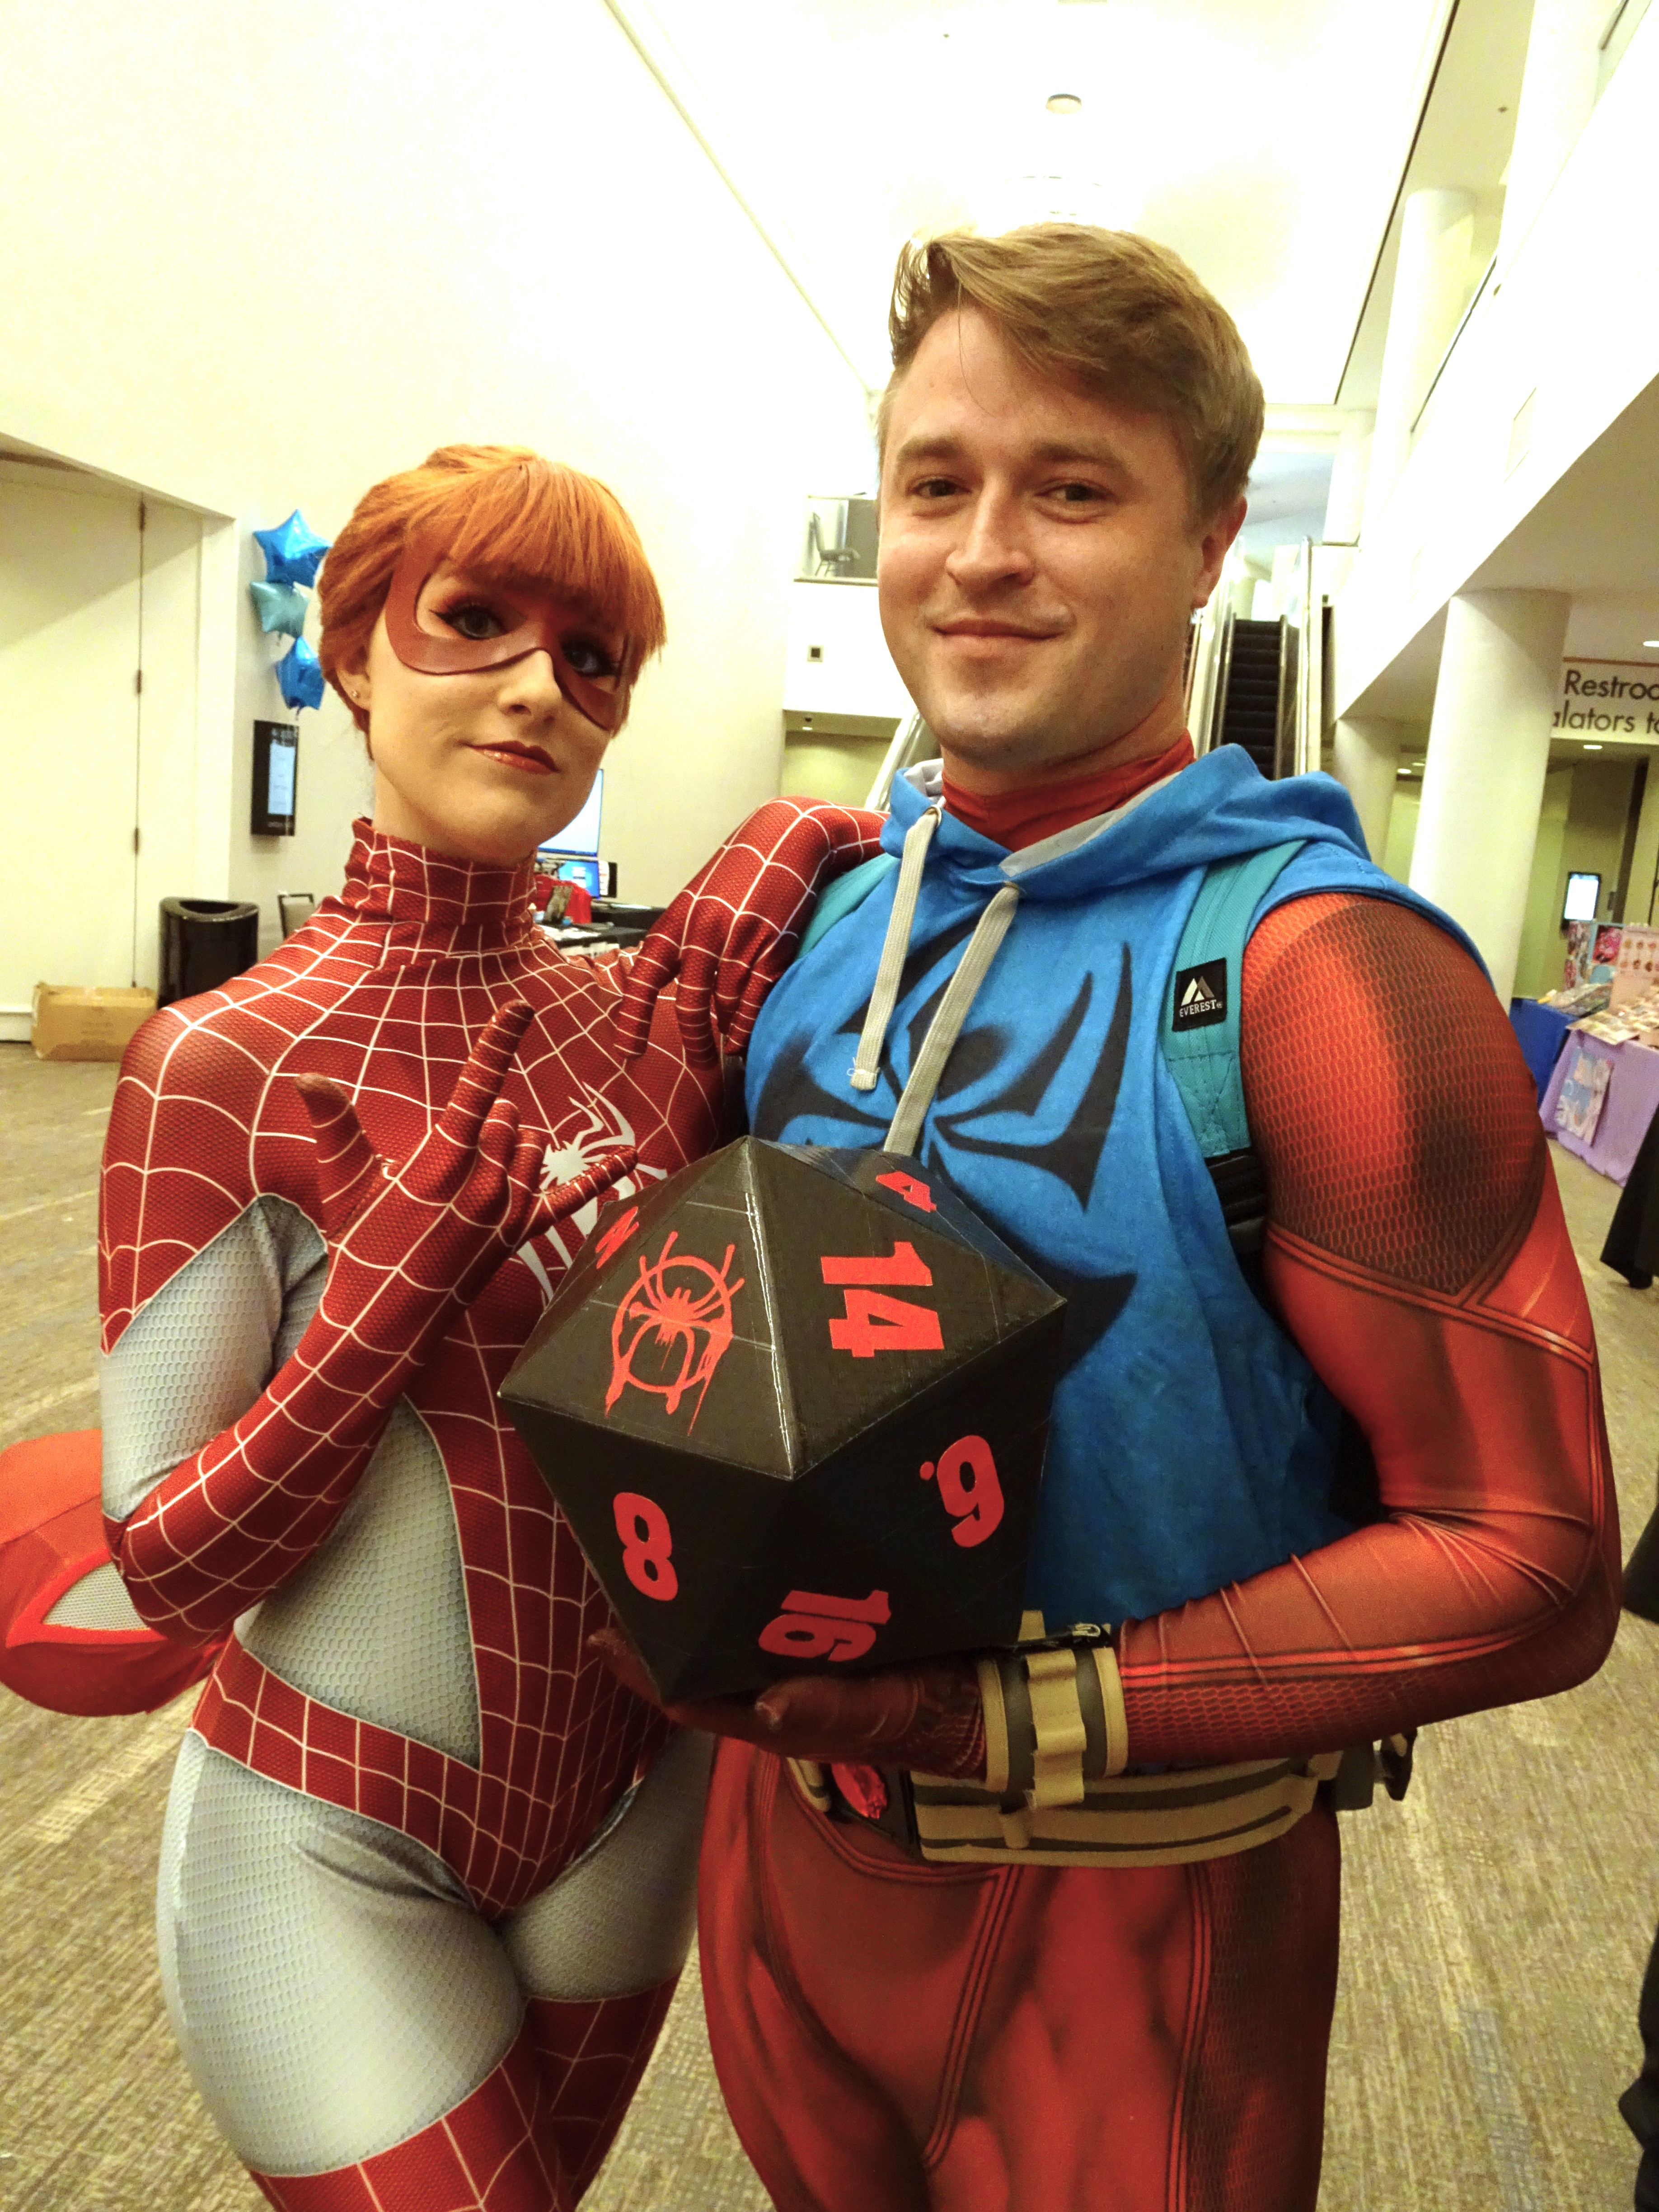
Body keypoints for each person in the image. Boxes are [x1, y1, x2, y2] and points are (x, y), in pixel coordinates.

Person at [597, 226, 1622, 2212]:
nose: (982, 553)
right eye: (935, 485)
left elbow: (1534, 1561)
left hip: (1135, 1925)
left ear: (1211, 538)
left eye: (1071, 490)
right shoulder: (822, 918)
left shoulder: (1327, 979)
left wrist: (996, 1717)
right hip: (787, 1867)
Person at [0, 442, 882, 2211]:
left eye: (593, 657)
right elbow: (167, 1567)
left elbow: (794, 884)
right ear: (352, 652)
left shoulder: (652, 1029)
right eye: (474, 622)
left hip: (631, 1804)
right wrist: (382, 1302)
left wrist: (821, 824)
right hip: (327, 1824)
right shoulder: (225, 1064)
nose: (538, 687)